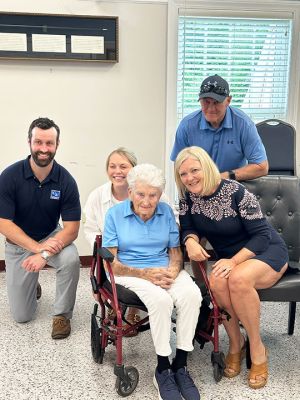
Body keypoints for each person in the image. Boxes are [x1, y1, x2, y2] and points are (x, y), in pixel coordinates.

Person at [174, 146, 288, 389]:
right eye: (183, 174)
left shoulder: (236, 191)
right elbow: (187, 227)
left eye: (194, 170)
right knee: (216, 280)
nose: (190, 178)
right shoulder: (187, 198)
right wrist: (191, 241)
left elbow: (260, 236)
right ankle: (237, 344)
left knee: (236, 279)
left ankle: (257, 348)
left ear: (207, 167)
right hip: (231, 258)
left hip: (264, 251)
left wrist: (235, 261)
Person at [103, 163, 202, 400]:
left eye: (153, 195)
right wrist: (145, 273)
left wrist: (174, 270)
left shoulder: (166, 212)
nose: (146, 201)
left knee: (192, 295)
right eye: (140, 194)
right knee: (160, 300)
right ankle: (162, 369)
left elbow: (175, 251)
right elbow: (112, 262)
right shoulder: (114, 215)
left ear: (159, 195)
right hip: (128, 272)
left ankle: (180, 365)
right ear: (130, 193)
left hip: (164, 268)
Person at [0, 117, 81, 340]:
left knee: (71, 258)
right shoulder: (9, 176)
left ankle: (62, 315)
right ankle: (31, 286)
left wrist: (44, 252)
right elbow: (4, 223)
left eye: (49, 143)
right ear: (29, 142)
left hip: (50, 236)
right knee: (22, 316)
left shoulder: (66, 180)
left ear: (57, 145)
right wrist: (38, 249)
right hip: (18, 243)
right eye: (38, 142)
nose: (43, 149)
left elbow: (72, 229)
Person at [84, 147, 140, 335]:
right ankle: (115, 304)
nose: (117, 171)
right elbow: (90, 229)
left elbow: (169, 219)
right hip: (110, 255)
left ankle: (133, 311)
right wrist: (108, 248)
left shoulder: (147, 191)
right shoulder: (97, 196)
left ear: (134, 169)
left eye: (123, 166)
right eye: (112, 166)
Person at [171, 74, 269, 181]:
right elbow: (179, 165)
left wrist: (223, 177)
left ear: (228, 100)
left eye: (216, 102)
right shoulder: (187, 125)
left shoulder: (244, 124)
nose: (211, 108)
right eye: (206, 102)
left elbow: (262, 167)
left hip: (233, 185)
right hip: (198, 186)